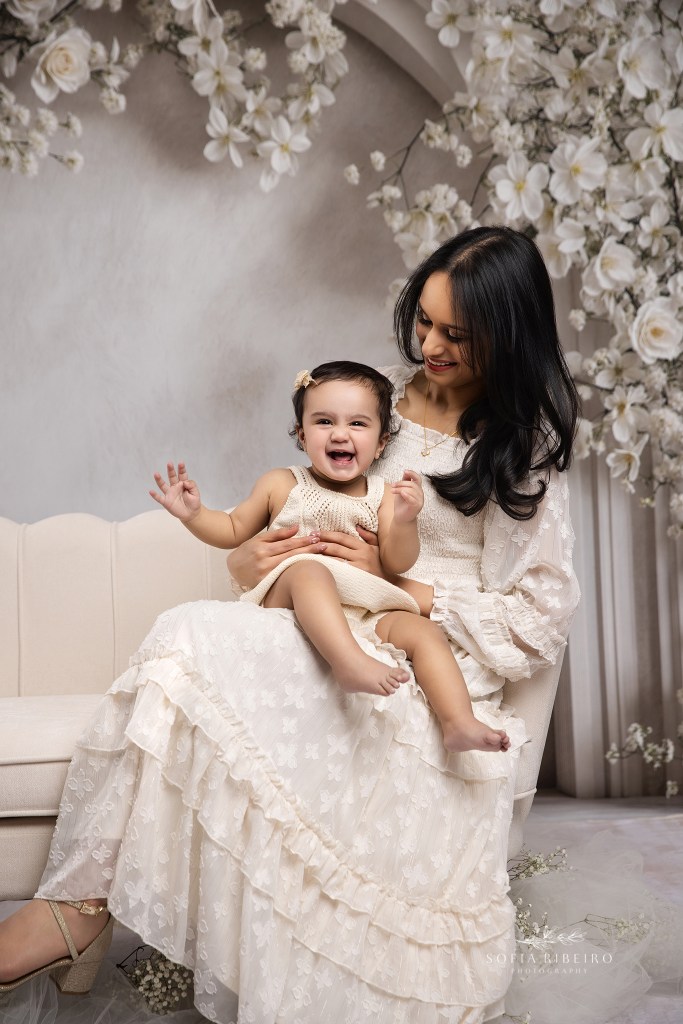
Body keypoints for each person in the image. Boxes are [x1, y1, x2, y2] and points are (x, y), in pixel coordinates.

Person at [0, 226, 581, 1024]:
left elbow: (538, 620)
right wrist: (255, 559)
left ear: (506, 335)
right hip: (316, 607)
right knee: (185, 636)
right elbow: (281, 521)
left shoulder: (520, 447)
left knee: (189, 641)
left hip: (419, 645)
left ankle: (75, 913)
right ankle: (79, 906)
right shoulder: (369, 398)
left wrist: (401, 586)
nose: (430, 345)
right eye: (425, 321)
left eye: (456, 334)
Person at [149, 361, 510, 752]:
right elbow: (234, 528)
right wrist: (196, 515)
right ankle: (348, 662)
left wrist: (406, 521)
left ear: (382, 442)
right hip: (289, 597)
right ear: (302, 436)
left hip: (362, 611)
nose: (340, 434)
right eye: (324, 422)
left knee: (422, 632)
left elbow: (396, 562)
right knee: (310, 570)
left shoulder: (383, 495)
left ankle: (458, 722)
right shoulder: (281, 483)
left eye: (358, 424)